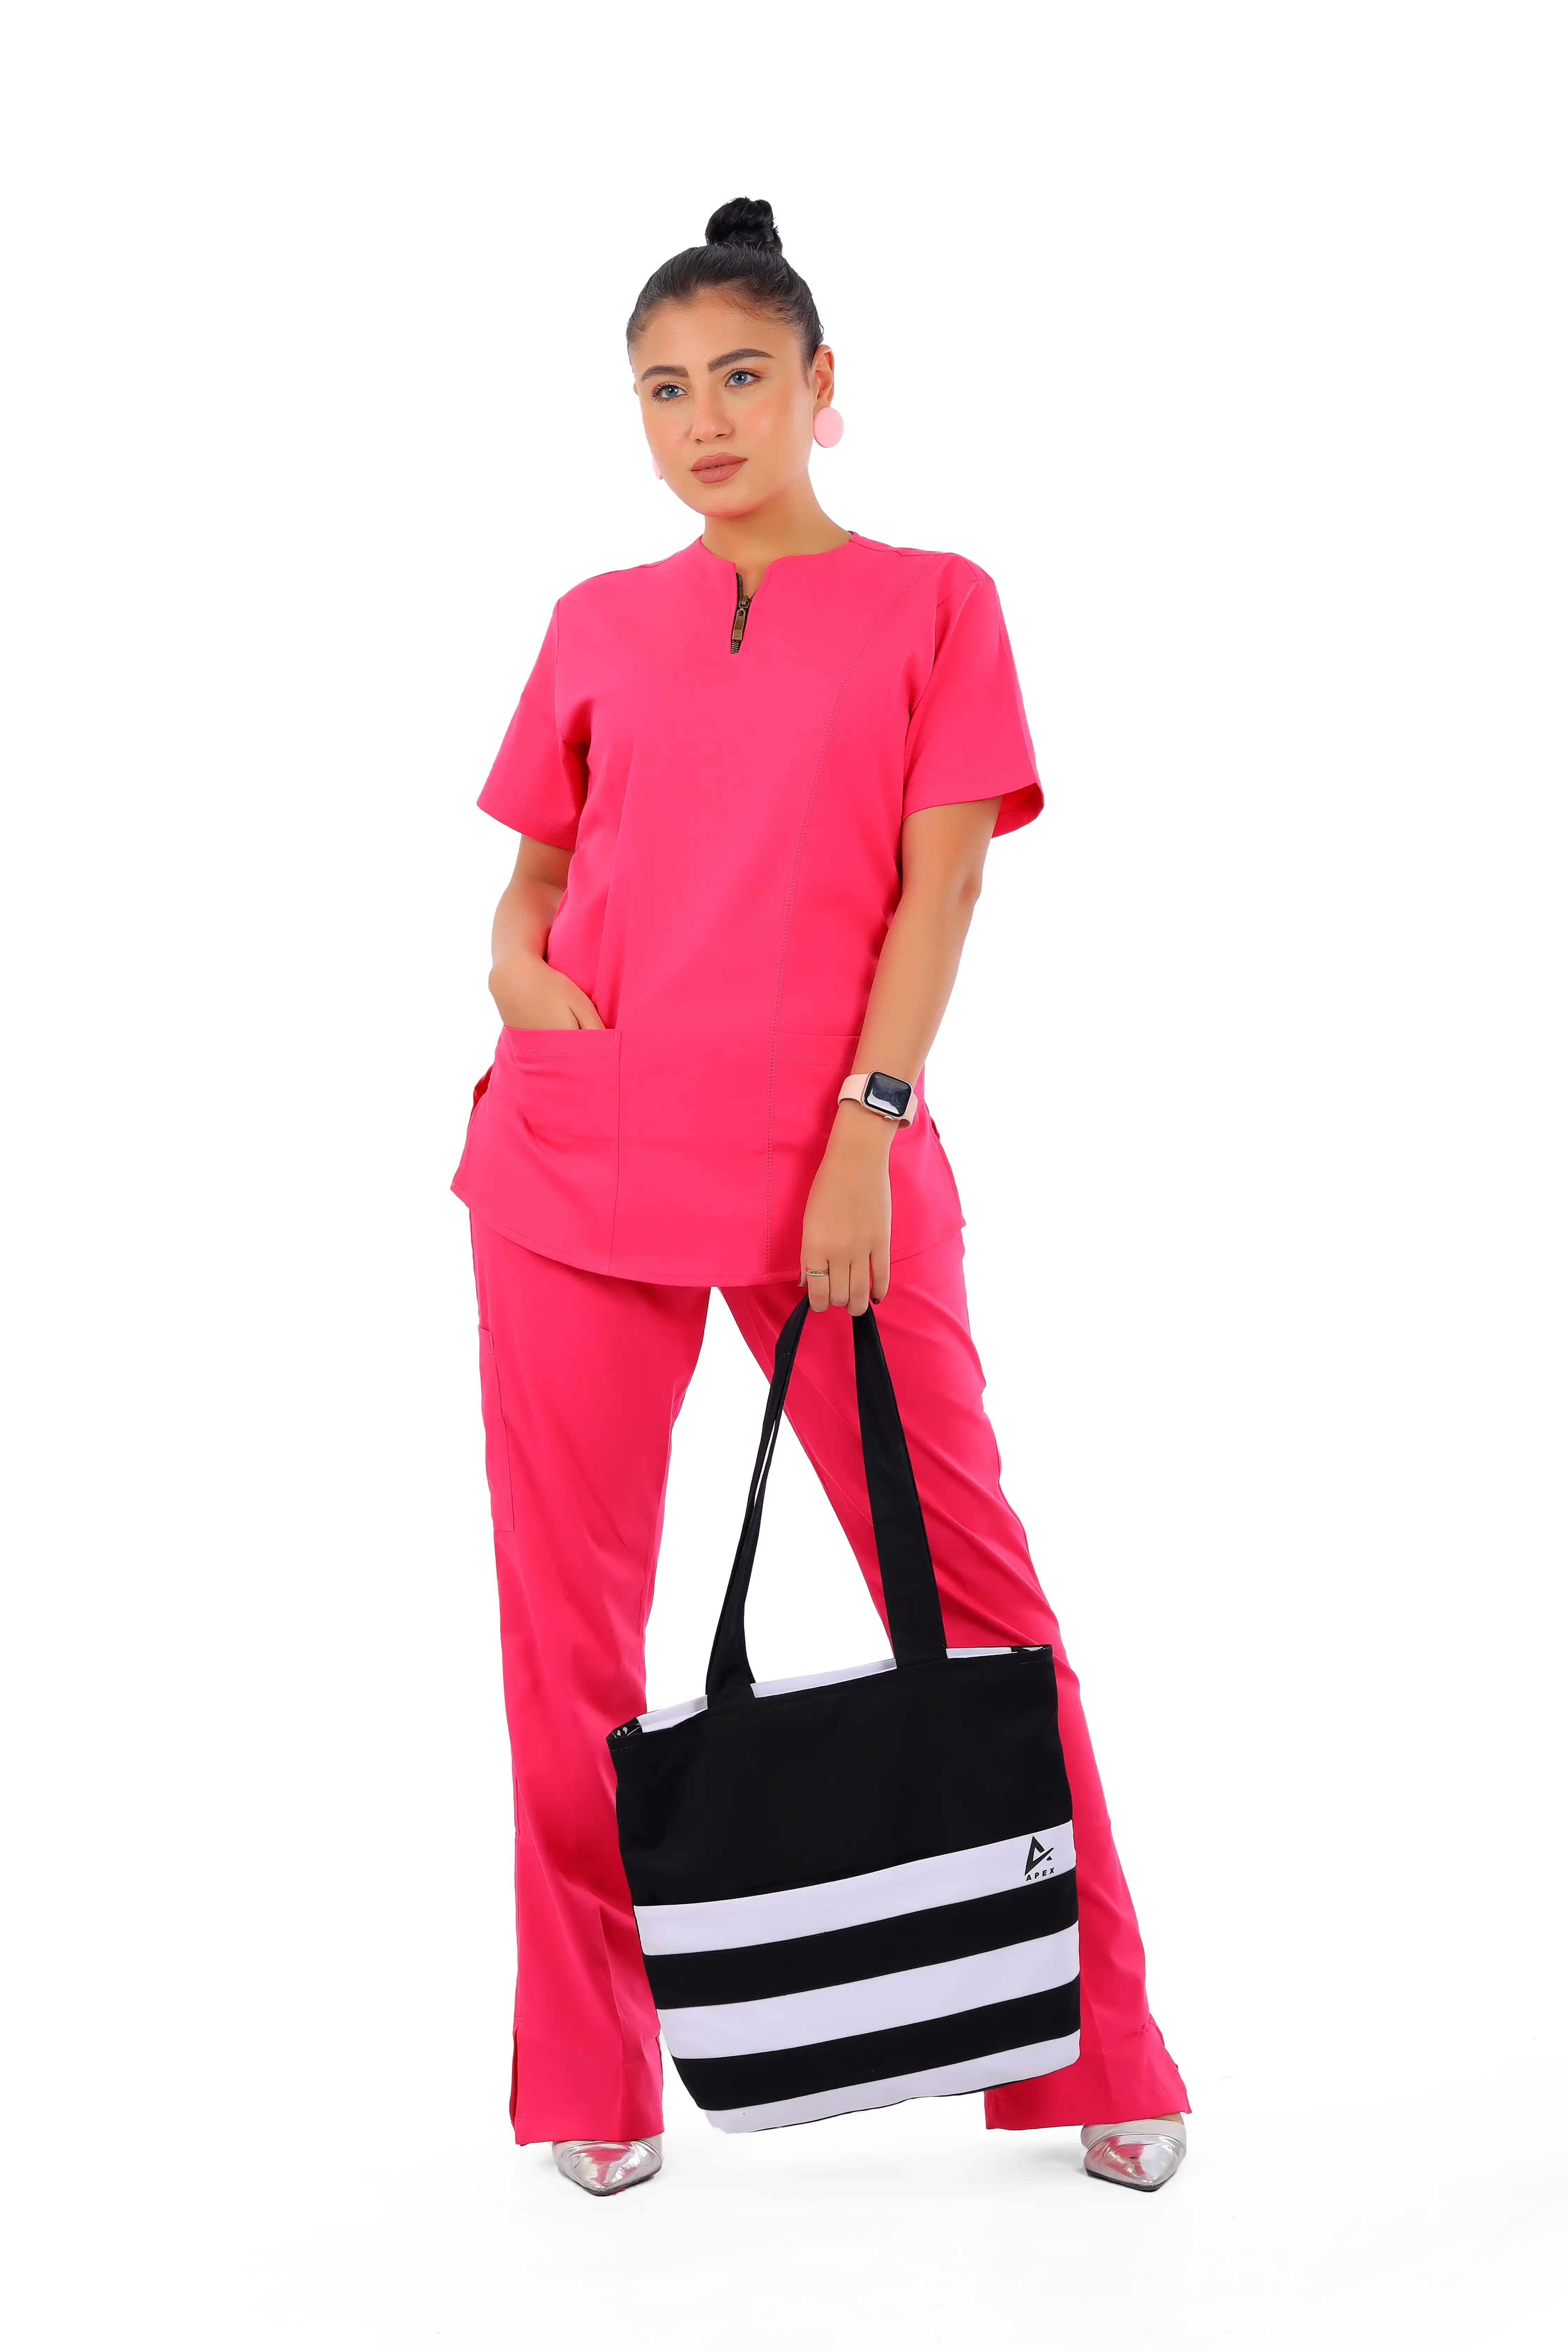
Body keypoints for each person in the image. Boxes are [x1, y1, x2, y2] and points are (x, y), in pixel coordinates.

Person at [453, 197, 1189, 2198]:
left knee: (976, 1607)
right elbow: (533, 876)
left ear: (822, 386)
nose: (703, 421)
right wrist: (520, 975)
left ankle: (1094, 2050)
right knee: (564, 1642)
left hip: (829, 1171)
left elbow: (945, 886)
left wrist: (869, 1126)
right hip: (570, 1156)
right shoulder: (596, 620)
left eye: (740, 378)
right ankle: (591, 2077)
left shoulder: (938, 602)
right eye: (662, 391)